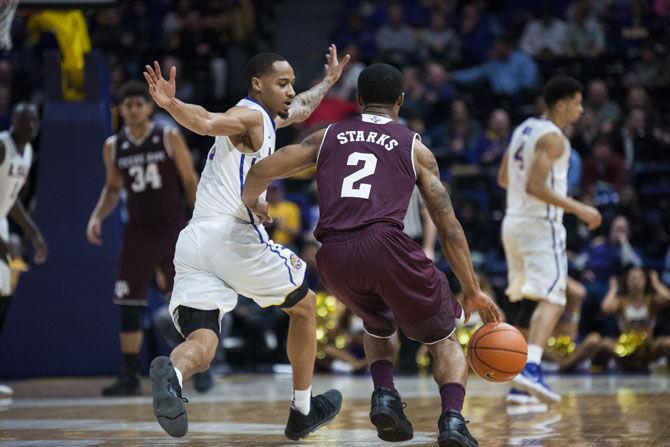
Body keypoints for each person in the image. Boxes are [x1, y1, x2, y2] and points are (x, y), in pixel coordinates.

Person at [242, 63, 501, 447]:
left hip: (331, 257)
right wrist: (472, 288)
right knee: (445, 336)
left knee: (377, 323)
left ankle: (384, 394)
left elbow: (261, 169)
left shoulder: (326, 136)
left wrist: (257, 203)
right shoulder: (414, 146)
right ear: (400, 101)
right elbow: (447, 225)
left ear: (358, 101)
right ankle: (452, 420)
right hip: (384, 245)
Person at [142, 45, 350, 439]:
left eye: (291, 83)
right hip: (229, 237)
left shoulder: (268, 117)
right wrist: (172, 105)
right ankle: (302, 410)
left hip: (193, 243)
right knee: (305, 305)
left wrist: (327, 81)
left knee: (202, 341)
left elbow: (301, 108)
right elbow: (206, 121)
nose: (290, 91)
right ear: (257, 85)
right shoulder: (249, 115)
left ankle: (174, 373)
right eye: (282, 83)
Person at [86, 81, 199, 396]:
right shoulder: (113, 146)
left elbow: (190, 180)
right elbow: (111, 189)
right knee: (128, 302)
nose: (133, 109)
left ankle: (200, 365)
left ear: (149, 107)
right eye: (128, 105)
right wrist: (97, 216)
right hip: (137, 230)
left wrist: (200, 220)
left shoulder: (167, 135)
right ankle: (129, 374)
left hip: (172, 227)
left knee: (187, 299)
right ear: (120, 110)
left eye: (139, 104)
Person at [498, 75, 602, 403]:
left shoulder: (523, 129)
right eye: (577, 103)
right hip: (540, 226)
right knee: (555, 298)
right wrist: (580, 208)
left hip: (513, 222)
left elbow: (504, 178)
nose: (581, 109)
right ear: (561, 104)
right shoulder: (554, 138)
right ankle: (531, 369)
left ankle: (519, 383)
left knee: (530, 300)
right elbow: (535, 186)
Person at [0, 102, 48, 397]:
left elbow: (12, 198)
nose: (30, 124)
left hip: (2, 222)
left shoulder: (28, 152)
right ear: (13, 121)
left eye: (34, 120)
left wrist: (33, 232)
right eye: (25, 119)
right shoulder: (3, 146)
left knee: (3, 297)